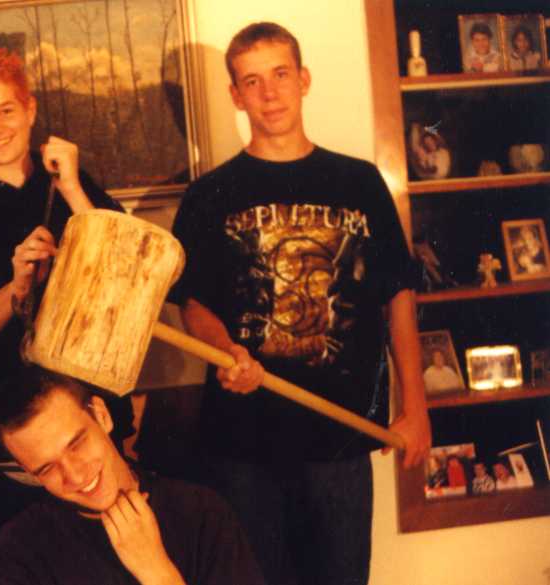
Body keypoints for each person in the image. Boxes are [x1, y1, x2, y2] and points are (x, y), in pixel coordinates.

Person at [169, 22, 432, 585]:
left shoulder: (359, 182)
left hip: (339, 435)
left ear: (304, 79)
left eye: (280, 75)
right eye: (252, 81)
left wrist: (416, 405)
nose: (269, 93)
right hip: (244, 442)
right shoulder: (209, 195)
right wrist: (225, 350)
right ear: (235, 95)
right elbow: (192, 304)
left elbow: (397, 295)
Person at [0, 47, 131, 581]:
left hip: (90, 426)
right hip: (6, 444)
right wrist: (15, 288)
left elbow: (126, 276)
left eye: (6, 111)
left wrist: (73, 186)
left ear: (30, 110)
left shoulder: (74, 185)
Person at [0, 366, 266, 585]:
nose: (75, 476)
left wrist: (157, 572)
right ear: (29, 472)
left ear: (102, 415)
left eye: (76, 443)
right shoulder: (18, 552)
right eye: (47, 468)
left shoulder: (201, 513)